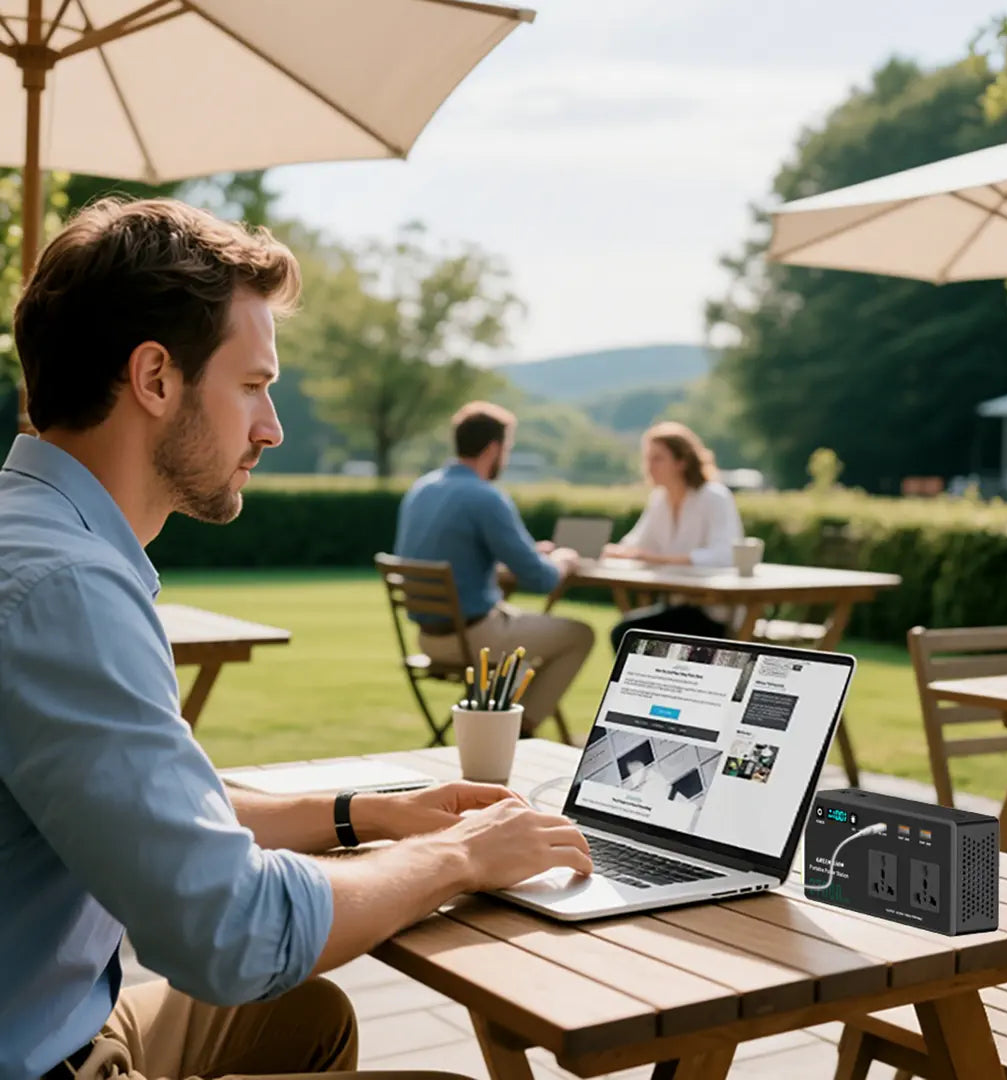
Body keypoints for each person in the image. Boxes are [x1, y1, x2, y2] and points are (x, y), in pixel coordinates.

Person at [0, 198, 593, 1080]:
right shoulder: (66, 588)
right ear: (155, 379)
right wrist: (460, 855)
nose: (271, 427)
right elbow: (230, 932)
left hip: (62, 1013)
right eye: (253, 386)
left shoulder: (37, 535)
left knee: (306, 1016)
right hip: (50, 1058)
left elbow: (150, 813)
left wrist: (362, 815)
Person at [394, 402, 595, 734]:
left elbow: (456, 554)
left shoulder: (422, 489)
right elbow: (541, 578)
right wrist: (563, 560)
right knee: (579, 634)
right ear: (493, 448)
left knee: (521, 649)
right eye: (508, 449)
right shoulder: (486, 497)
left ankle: (495, 720)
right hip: (474, 639)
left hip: (428, 638)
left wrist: (528, 554)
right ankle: (516, 730)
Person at [604, 421, 744, 651]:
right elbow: (636, 544)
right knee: (627, 634)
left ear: (682, 461)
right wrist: (605, 551)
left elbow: (725, 555)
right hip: (678, 607)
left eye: (657, 458)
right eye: (647, 458)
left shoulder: (714, 497)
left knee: (626, 635)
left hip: (714, 614)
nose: (649, 467)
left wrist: (660, 559)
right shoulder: (659, 499)